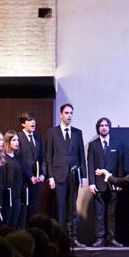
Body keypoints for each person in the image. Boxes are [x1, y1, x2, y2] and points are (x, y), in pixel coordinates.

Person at [46, 103, 87, 247]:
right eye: (66, 113)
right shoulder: (52, 132)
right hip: (58, 175)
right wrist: (50, 176)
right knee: (60, 207)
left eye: (71, 113)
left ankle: (72, 238)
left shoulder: (77, 132)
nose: (69, 116)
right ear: (61, 114)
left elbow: (82, 155)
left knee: (72, 208)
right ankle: (59, 238)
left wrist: (84, 176)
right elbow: (49, 156)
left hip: (74, 175)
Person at [87, 117, 124, 247]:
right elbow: (90, 164)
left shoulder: (117, 143)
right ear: (98, 128)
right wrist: (91, 183)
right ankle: (100, 238)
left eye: (106, 125)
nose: (104, 127)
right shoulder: (93, 145)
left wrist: (119, 183)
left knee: (112, 213)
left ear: (109, 127)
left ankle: (111, 238)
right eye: (101, 125)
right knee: (99, 213)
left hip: (113, 184)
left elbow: (120, 164)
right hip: (98, 185)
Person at [16, 112, 46, 222]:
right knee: (24, 212)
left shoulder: (37, 136)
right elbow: (19, 160)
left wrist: (43, 174)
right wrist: (30, 176)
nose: (33, 122)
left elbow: (43, 158)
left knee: (35, 211)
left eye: (34, 120)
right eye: (30, 120)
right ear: (23, 124)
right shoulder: (18, 137)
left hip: (37, 182)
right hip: (25, 182)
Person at [4, 131, 25, 229]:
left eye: (17, 140)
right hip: (8, 195)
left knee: (14, 222)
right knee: (6, 223)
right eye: (14, 140)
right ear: (8, 142)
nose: (17, 142)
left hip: (17, 195)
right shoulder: (4, 158)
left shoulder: (18, 157)